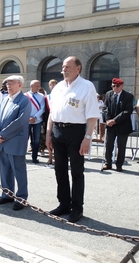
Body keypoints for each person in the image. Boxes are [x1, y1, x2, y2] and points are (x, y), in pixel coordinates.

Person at [46, 56, 99, 223]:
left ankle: (77, 208)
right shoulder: (58, 87)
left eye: (68, 66)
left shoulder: (86, 86)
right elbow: (52, 113)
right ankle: (64, 204)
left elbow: (92, 115)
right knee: (59, 169)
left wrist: (88, 137)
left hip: (76, 132)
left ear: (78, 69)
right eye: (63, 66)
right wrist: (48, 134)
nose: (64, 69)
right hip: (57, 130)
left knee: (76, 171)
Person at [0, 75, 31, 211]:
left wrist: (2, 134)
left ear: (19, 85)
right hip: (2, 141)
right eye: (7, 83)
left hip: (15, 141)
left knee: (18, 170)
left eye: (11, 83)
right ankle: (7, 194)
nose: (8, 86)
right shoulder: (4, 100)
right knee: (5, 170)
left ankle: (21, 198)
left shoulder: (24, 101)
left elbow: (20, 122)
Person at [102, 78, 134, 172]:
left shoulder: (128, 96)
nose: (115, 88)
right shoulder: (109, 94)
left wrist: (114, 120)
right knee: (108, 144)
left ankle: (119, 164)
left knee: (121, 146)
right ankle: (108, 163)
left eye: (117, 86)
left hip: (122, 125)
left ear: (122, 86)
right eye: (113, 86)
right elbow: (105, 108)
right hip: (110, 125)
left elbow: (127, 111)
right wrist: (108, 119)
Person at [25, 80, 45, 164]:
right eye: (36, 85)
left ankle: (34, 157)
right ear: (31, 86)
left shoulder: (42, 96)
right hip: (26, 121)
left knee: (36, 140)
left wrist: (35, 117)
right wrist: (28, 117)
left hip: (37, 121)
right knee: (25, 139)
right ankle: (22, 157)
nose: (38, 87)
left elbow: (43, 108)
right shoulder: (25, 96)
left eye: (39, 85)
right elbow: (23, 108)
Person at [0, 80, 9, 159]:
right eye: (3, 84)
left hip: (7, 117)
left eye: (5, 84)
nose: (3, 86)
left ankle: (6, 152)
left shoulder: (10, 94)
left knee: (6, 135)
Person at [44, 79, 57, 164]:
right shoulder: (47, 97)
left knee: (55, 140)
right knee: (48, 139)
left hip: (56, 119)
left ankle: (56, 157)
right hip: (48, 119)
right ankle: (50, 157)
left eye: (54, 84)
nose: (53, 86)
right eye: (51, 85)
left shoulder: (60, 95)